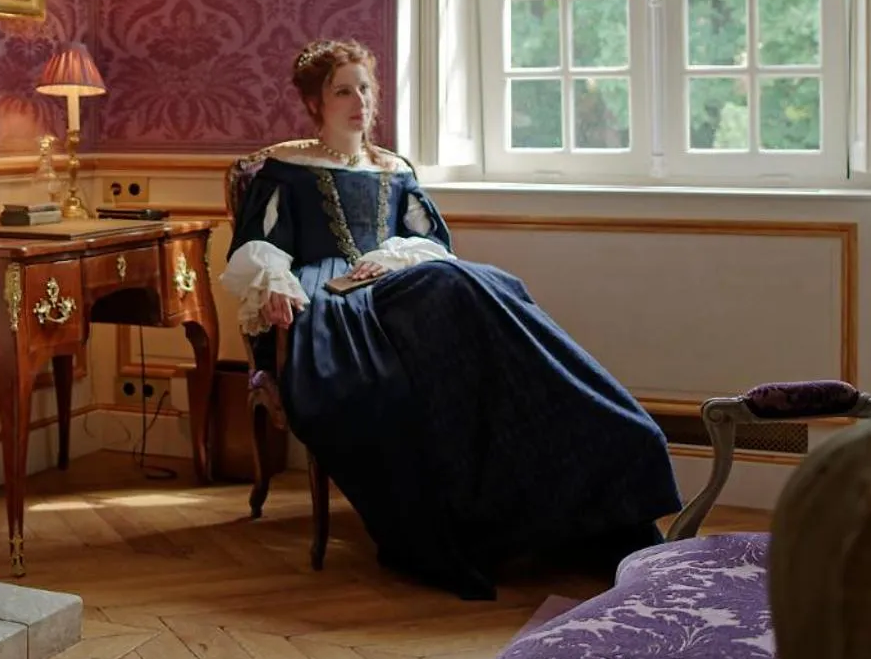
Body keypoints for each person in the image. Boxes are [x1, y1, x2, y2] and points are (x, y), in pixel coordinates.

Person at [220, 38, 681, 600]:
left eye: (365, 87)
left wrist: (389, 258)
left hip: (402, 285)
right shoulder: (284, 172)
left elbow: (431, 242)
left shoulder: (395, 170)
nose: (358, 100)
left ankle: (607, 463)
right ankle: (456, 535)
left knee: (485, 285)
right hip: (332, 303)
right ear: (315, 103)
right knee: (457, 287)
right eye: (343, 90)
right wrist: (275, 286)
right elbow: (258, 246)